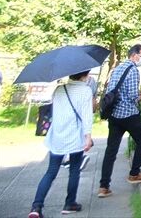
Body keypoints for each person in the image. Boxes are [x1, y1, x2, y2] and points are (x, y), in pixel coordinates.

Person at [27, 70, 94, 218]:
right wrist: (88, 137)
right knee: (74, 170)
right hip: (75, 136)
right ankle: (70, 203)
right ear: (84, 75)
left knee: (51, 172)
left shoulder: (59, 89)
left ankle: (36, 206)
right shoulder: (85, 91)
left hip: (57, 136)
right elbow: (87, 117)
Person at [98, 44, 141, 198]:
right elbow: (133, 95)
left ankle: (103, 186)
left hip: (114, 115)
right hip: (128, 114)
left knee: (111, 150)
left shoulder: (118, 68)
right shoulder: (133, 70)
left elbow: (114, 90)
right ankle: (134, 173)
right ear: (134, 55)